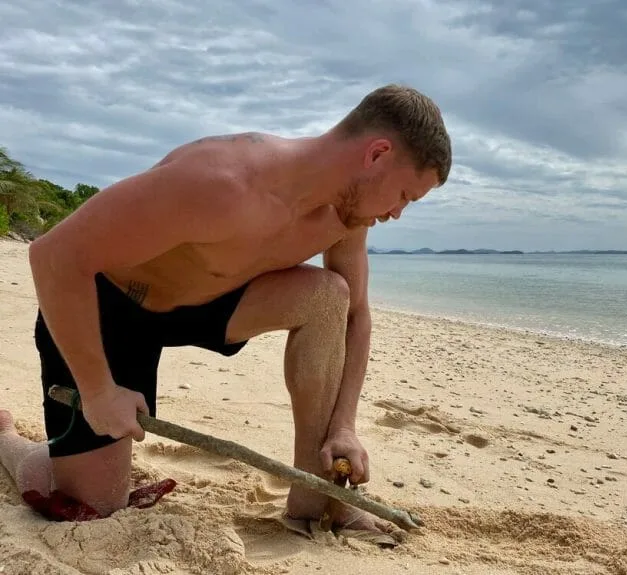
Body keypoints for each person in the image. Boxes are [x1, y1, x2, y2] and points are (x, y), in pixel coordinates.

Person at [0, 84, 452, 532]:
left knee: (330, 295)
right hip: (110, 310)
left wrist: (345, 427)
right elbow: (55, 256)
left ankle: (316, 499)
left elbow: (356, 316)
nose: (397, 213)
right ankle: (9, 440)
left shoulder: (346, 214)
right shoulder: (222, 180)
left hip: (210, 304)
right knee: (94, 505)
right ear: (377, 154)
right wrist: (98, 392)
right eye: (406, 196)